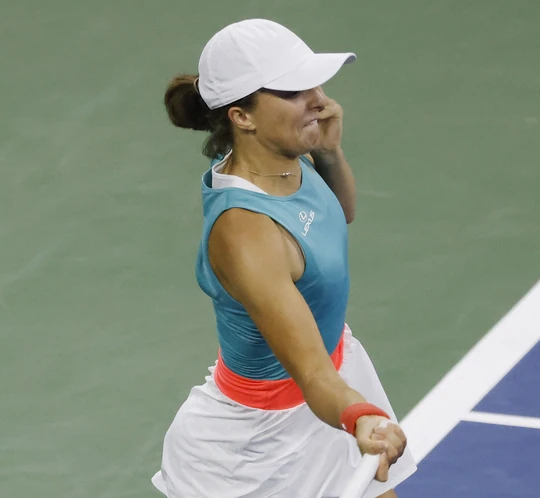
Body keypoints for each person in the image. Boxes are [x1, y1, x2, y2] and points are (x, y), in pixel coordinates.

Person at [152, 18, 417, 498]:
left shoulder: (280, 160)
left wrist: (329, 152)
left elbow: (338, 214)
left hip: (332, 383)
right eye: (294, 91)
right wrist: (359, 416)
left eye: (313, 83)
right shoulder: (246, 234)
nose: (319, 100)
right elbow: (310, 373)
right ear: (242, 117)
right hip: (256, 447)